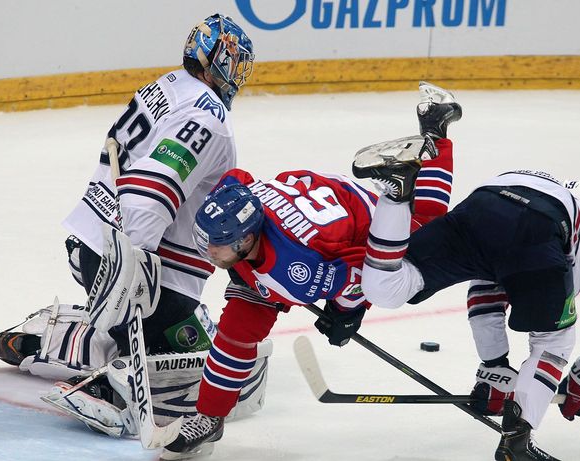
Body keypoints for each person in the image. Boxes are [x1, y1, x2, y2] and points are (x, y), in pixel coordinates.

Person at [0, 13, 271, 439]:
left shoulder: (167, 86)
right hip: (142, 272)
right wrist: (133, 266)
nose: (237, 75)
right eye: (234, 62)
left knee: (133, 326)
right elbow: (151, 188)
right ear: (215, 58)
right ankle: (111, 387)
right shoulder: (210, 117)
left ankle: (53, 339)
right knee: (215, 364)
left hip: (92, 250)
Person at [160, 83, 459, 459]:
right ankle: (209, 417)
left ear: (247, 238)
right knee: (236, 334)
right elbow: (238, 176)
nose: (213, 257)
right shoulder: (231, 200)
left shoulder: (300, 268)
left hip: (356, 221)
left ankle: (433, 136)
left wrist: (346, 313)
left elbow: (362, 276)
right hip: (298, 224)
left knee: (427, 230)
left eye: (221, 249)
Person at [352, 86, 580, 460]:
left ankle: (398, 189)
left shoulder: (555, 209)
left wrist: (495, 368)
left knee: (388, 287)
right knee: (553, 342)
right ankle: (516, 444)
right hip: (536, 222)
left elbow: (485, 294)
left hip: (486, 200)